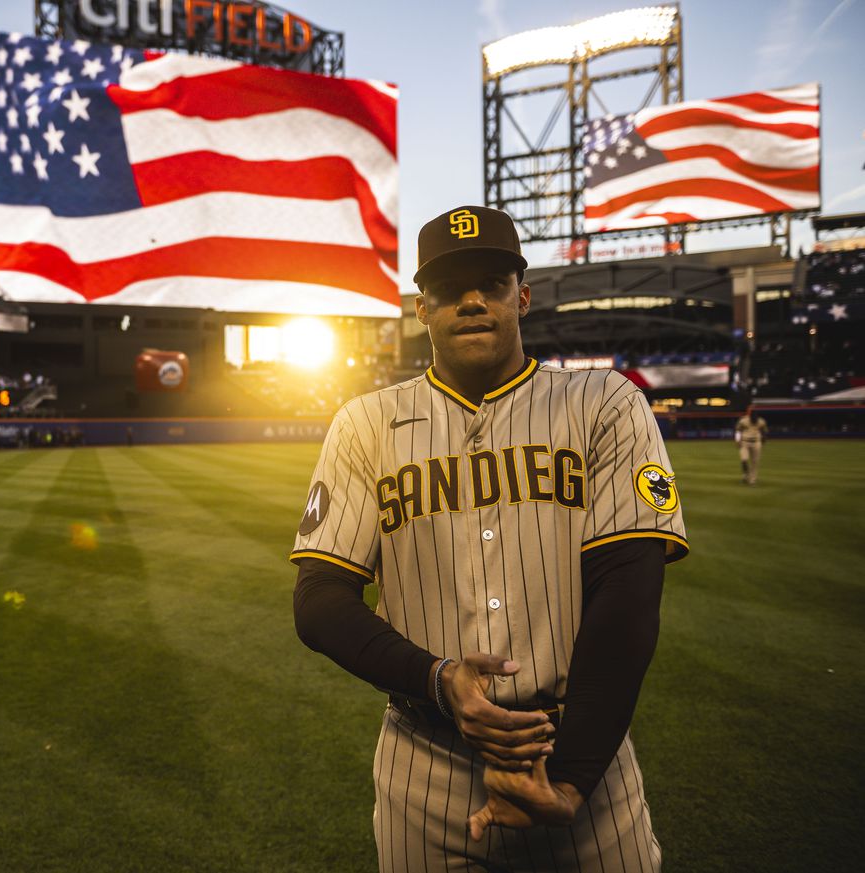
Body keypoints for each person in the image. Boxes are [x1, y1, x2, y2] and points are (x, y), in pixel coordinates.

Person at [291, 205, 689, 872]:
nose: (471, 300)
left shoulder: (605, 402)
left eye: (492, 282)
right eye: (450, 287)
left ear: (522, 296)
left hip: (583, 763)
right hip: (427, 765)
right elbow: (320, 600)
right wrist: (438, 678)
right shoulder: (365, 424)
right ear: (423, 307)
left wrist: (571, 776)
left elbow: (630, 589)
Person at [734, 405, 768, 485]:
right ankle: (745, 475)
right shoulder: (743, 420)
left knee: (754, 462)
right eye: (751, 410)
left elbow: (764, 431)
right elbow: (738, 431)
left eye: (754, 410)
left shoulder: (761, 421)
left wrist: (764, 440)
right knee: (744, 459)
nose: (752, 412)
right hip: (744, 442)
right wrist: (737, 440)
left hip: (756, 442)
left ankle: (752, 480)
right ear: (748, 412)